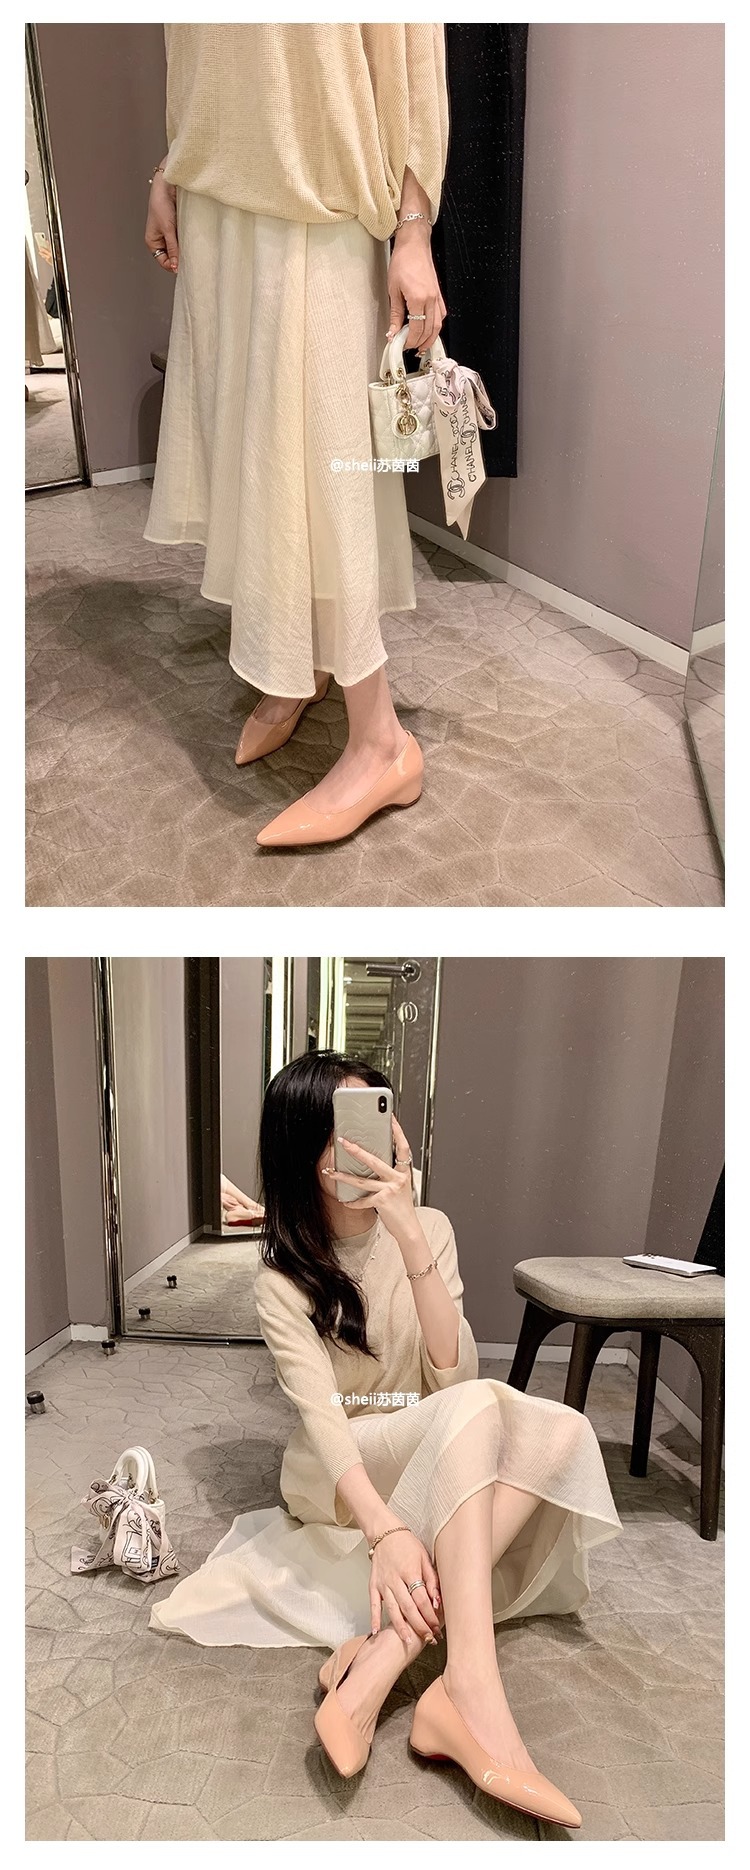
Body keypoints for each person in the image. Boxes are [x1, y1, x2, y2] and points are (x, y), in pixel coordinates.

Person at [150, 1052, 622, 1830]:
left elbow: (453, 1375)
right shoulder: (280, 1280)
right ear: (303, 1150)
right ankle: (471, 1690)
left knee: (563, 1430)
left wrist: (411, 1241)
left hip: (432, 1428)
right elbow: (324, 1422)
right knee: (479, 1413)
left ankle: (388, 1658)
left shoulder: (428, 1229)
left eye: (373, 1117)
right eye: (342, 1127)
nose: (364, 1144)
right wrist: (387, 1530)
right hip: (337, 1470)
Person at [143, 24, 448, 848]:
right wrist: (170, 167)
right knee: (255, 456)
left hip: (320, 192)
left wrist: (414, 230)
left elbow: (412, 50)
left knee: (321, 465)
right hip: (214, 191)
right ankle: (302, 657)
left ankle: (382, 742)